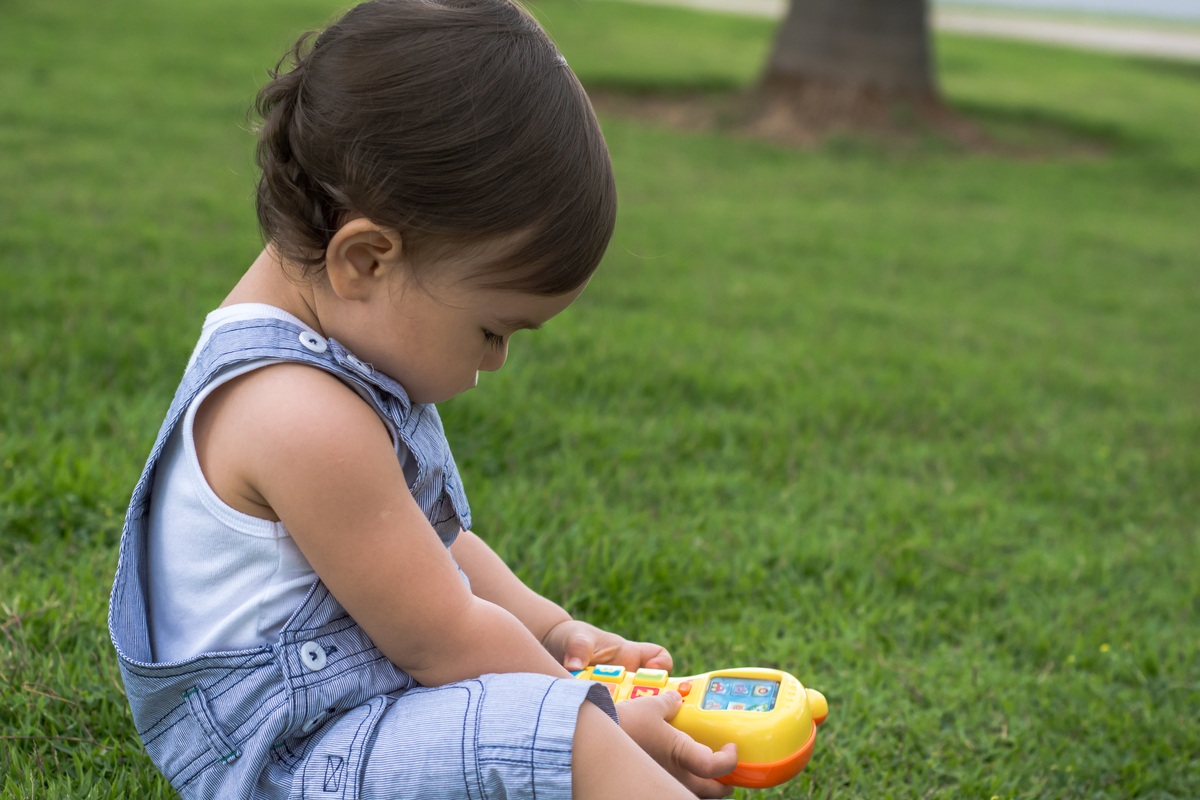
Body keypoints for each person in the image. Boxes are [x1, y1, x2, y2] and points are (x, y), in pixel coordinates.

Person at [107, 1, 738, 797]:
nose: (499, 360)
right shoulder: (297, 415)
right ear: (366, 260)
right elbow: (445, 638)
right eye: (491, 329)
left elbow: (427, 549)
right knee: (571, 738)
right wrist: (596, 712)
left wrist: (552, 628)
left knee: (566, 737)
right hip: (293, 763)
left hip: (362, 724)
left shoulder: (335, 360)